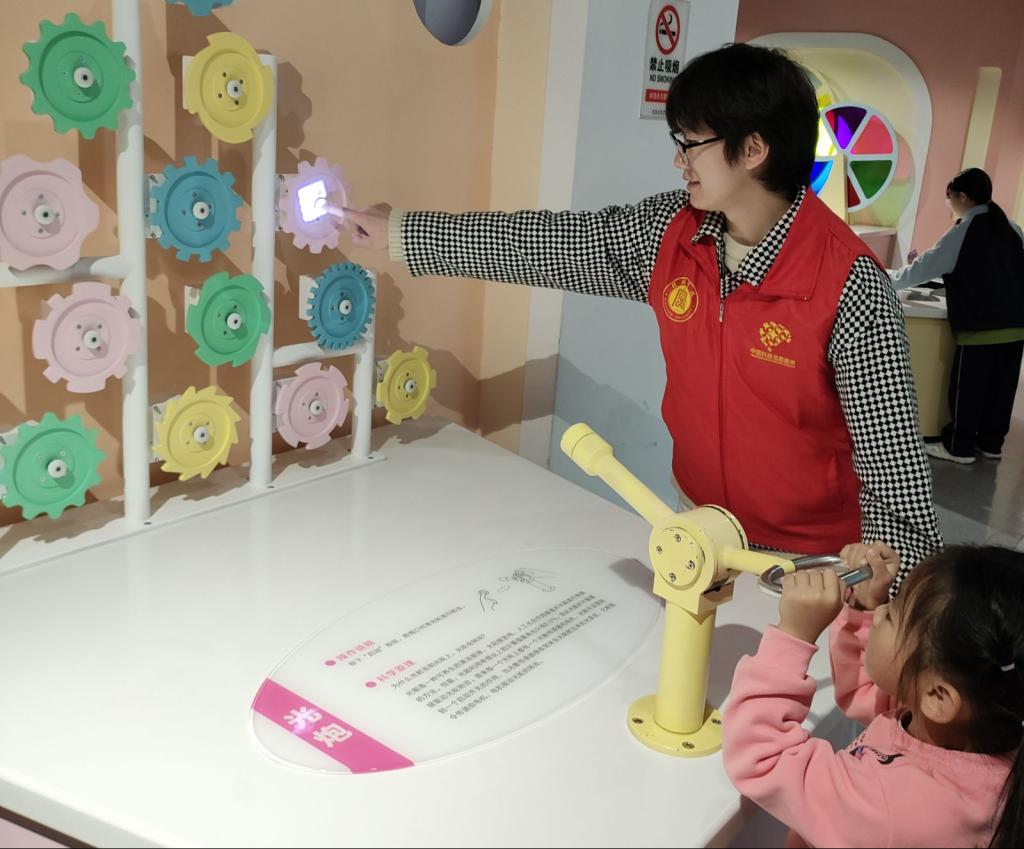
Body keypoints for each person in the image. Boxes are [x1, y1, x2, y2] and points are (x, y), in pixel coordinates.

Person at [343, 43, 941, 593]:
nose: (679, 160)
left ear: (753, 150)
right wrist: (399, 232)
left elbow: (894, 474)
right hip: (697, 525)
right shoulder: (672, 232)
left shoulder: (849, 284)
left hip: (808, 567)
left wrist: (888, 587)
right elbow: (551, 245)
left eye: (692, 142)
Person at [723, 543, 1024, 848]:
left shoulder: (895, 806)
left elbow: (761, 757)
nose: (880, 613)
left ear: (938, 696)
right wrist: (864, 605)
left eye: (892, 615)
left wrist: (794, 633)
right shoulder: (979, 727)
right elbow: (862, 693)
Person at [890, 168, 1024, 464]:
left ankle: (960, 447)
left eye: (949, 197)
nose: (948, 204)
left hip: (980, 327)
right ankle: (991, 444)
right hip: (1016, 325)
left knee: (969, 390)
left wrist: (887, 279)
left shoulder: (964, 230)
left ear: (962, 197)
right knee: (1001, 390)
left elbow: (923, 268)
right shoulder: (1012, 228)